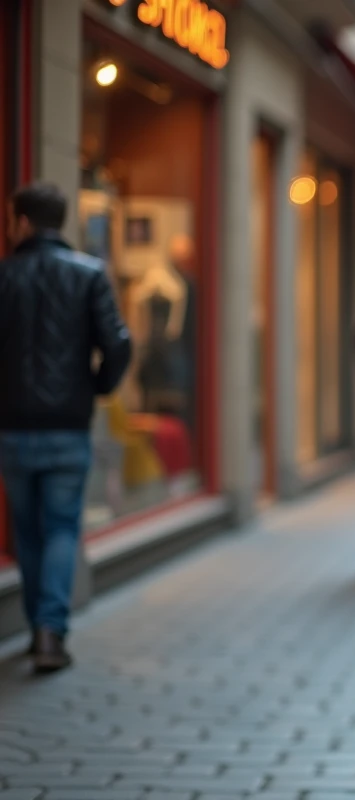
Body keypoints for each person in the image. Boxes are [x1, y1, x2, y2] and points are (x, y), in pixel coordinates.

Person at [0, 182, 132, 673]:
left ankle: (41, 626)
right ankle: (50, 631)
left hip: (13, 429)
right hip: (68, 427)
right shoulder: (90, 275)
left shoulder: (5, 277)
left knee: (29, 532)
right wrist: (97, 387)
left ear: (22, 222)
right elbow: (119, 343)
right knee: (60, 527)